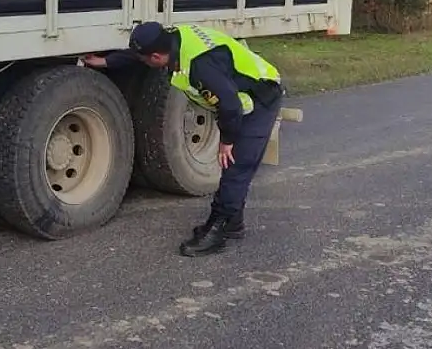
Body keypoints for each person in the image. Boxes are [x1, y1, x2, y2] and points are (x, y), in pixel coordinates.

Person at [83, 21, 285, 257]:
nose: (144, 63)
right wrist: (105, 62)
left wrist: (227, 141)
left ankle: (218, 228)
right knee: (234, 167)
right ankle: (233, 223)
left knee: (235, 166)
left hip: (260, 98)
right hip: (239, 95)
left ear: (158, 57)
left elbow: (230, 107)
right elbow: (139, 56)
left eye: (146, 59)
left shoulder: (201, 66)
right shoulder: (173, 38)